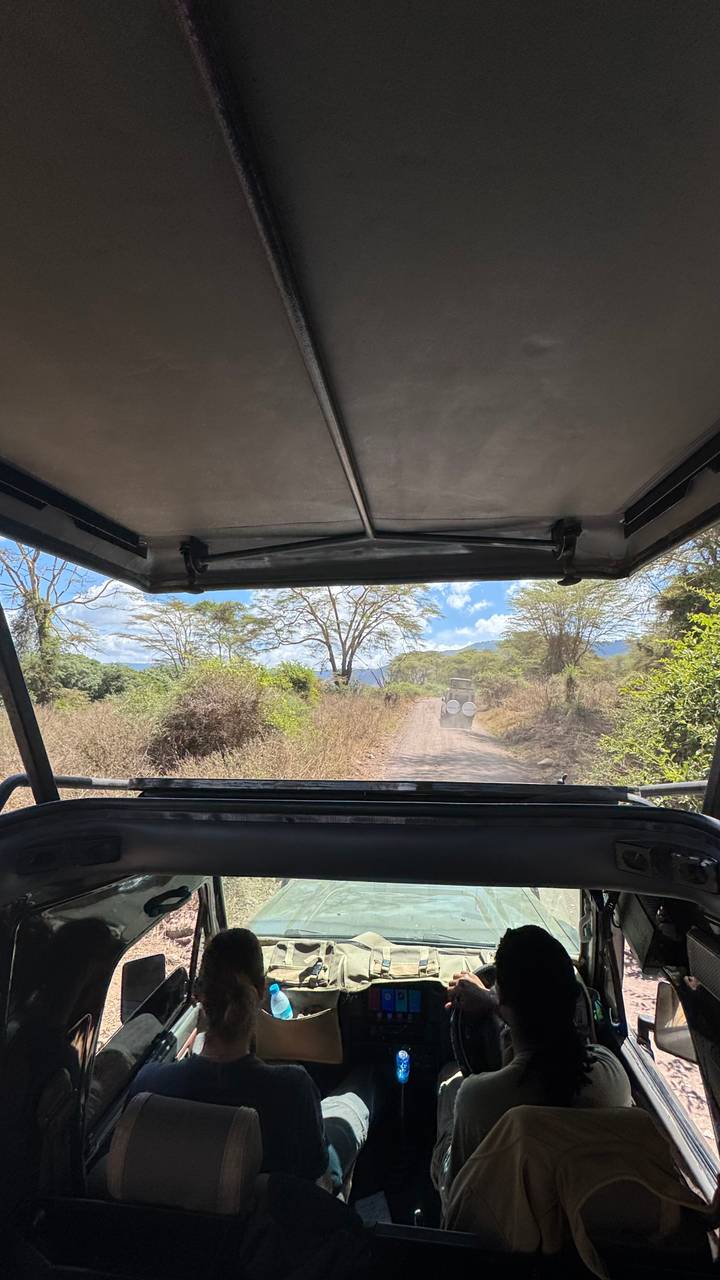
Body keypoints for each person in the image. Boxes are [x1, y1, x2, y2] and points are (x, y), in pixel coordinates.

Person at [129, 928, 375, 1188]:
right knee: (360, 1088)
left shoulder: (148, 1085)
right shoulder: (293, 1088)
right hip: (271, 1217)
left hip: (190, 1220)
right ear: (260, 992)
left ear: (199, 994)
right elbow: (316, 1176)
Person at [432, 924, 632, 1199]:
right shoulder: (611, 1074)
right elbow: (551, 1042)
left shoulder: (479, 1100)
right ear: (573, 999)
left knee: (450, 1081)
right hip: (587, 1225)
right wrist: (496, 1001)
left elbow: (455, 1195)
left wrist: (493, 1003)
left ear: (503, 1000)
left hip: (504, 1234)